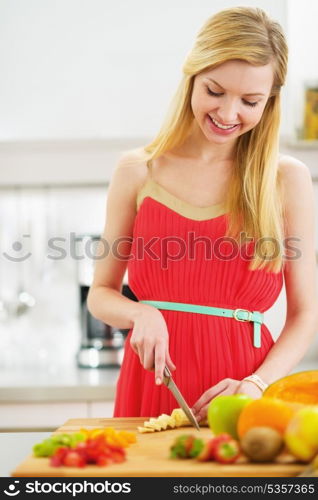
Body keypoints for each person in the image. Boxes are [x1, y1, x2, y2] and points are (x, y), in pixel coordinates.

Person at [87, 6, 318, 422]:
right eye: (215, 91)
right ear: (191, 77)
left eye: (250, 101)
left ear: (270, 101)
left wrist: (255, 386)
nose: (228, 114)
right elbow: (100, 294)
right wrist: (140, 311)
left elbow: (306, 315)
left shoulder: (286, 180)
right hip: (151, 384)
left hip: (245, 392)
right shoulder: (138, 170)